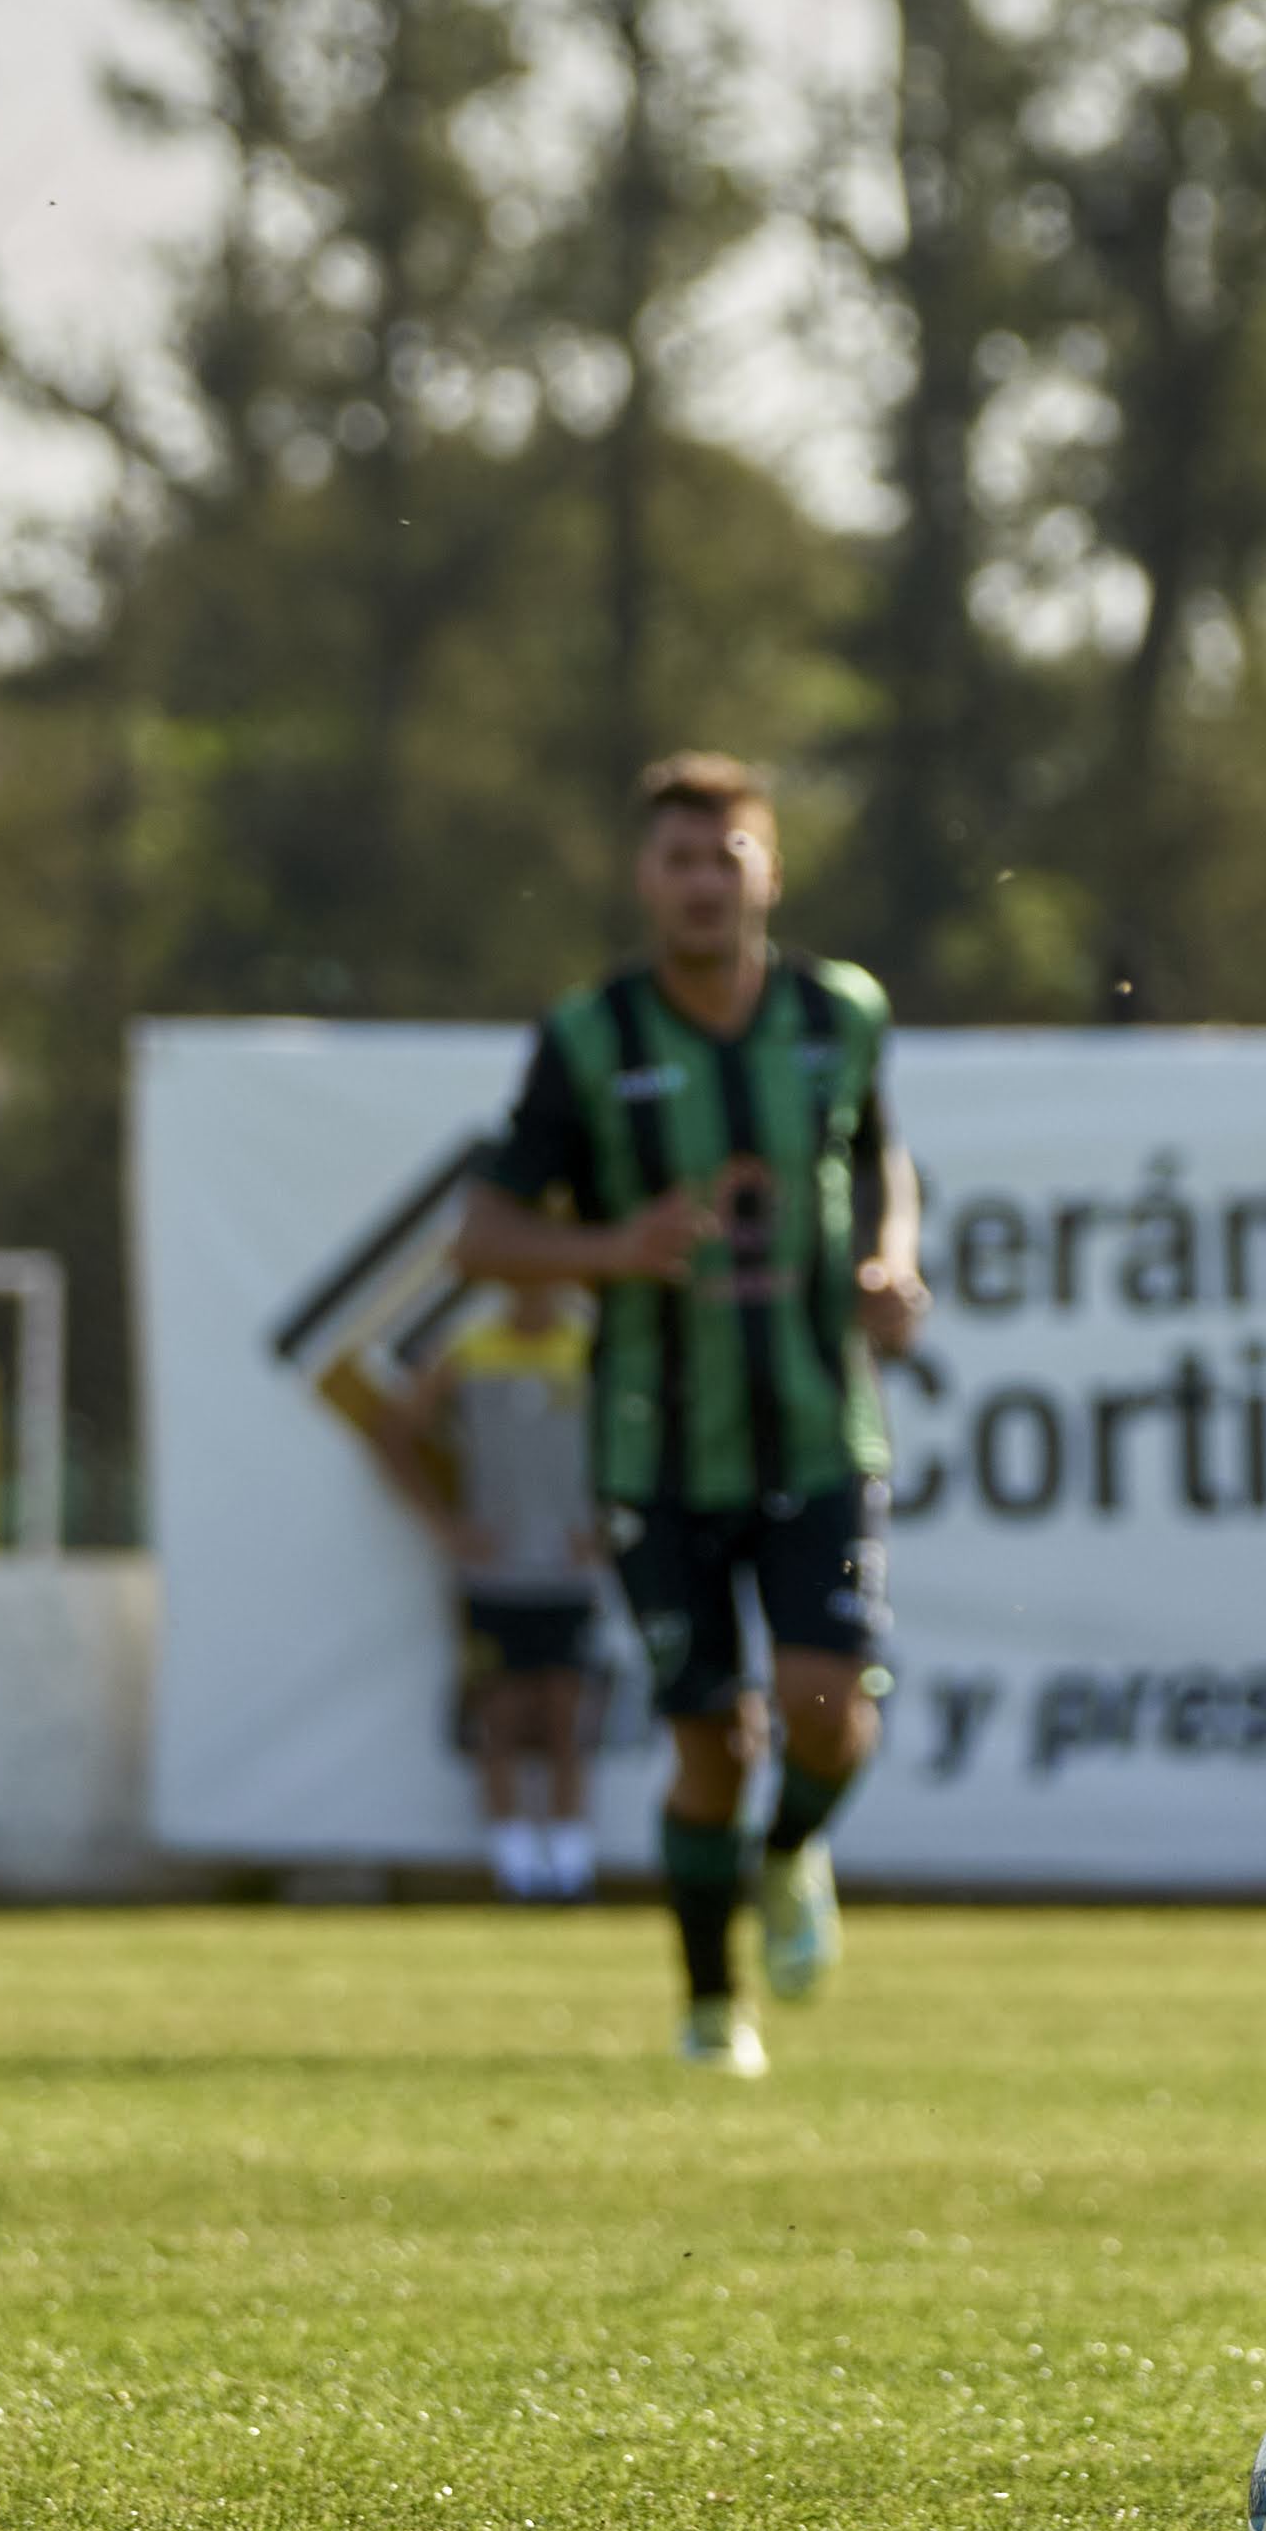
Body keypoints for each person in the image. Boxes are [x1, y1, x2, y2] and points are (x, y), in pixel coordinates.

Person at [454, 754, 924, 2074]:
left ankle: (790, 1858)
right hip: (659, 1447)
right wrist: (612, 1249)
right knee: (712, 1738)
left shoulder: (841, 1016)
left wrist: (891, 1258)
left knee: (830, 1707)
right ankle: (712, 2007)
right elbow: (480, 1236)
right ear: (642, 880)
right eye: (678, 858)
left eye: (727, 855)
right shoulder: (589, 1040)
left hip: (824, 1429)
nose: (703, 881)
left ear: (769, 869)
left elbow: (882, 1159)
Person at [364, 1278, 607, 1902]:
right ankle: (516, 1868)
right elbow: (393, 1431)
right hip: (495, 1575)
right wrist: (444, 1525)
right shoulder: (471, 1347)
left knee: (565, 1716)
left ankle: (570, 1867)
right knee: (499, 1717)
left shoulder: (592, 1348)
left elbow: (647, 1439)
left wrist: (609, 1527)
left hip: (567, 1574)